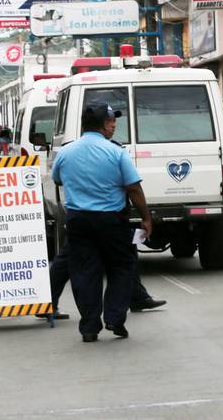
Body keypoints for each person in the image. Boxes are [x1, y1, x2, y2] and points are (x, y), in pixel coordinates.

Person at [51, 101, 152, 342]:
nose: (113, 126)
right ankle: (114, 318)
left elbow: (57, 180)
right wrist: (146, 218)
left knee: (84, 272)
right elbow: (133, 188)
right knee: (122, 267)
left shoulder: (65, 153)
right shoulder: (116, 152)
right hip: (112, 221)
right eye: (111, 121)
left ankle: (89, 327)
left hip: (78, 221)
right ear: (102, 125)